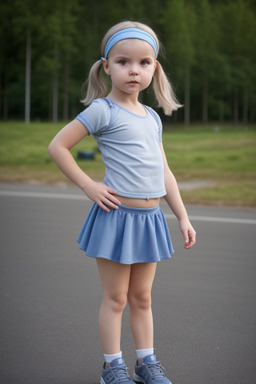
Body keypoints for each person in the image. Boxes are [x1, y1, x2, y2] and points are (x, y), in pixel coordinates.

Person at [48, 20, 196, 384]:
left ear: (154, 68)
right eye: (123, 61)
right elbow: (57, 146)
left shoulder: (151, 118)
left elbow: (165, 173)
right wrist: (89, 185)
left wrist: (182, 216)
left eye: (144, 62)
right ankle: (112, 367)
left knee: (142, 298)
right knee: (116, 299)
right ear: (106, 66)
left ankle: (146, 363)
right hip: (116, 218)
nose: (134, 70)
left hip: (151, 219)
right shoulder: (103, 110)